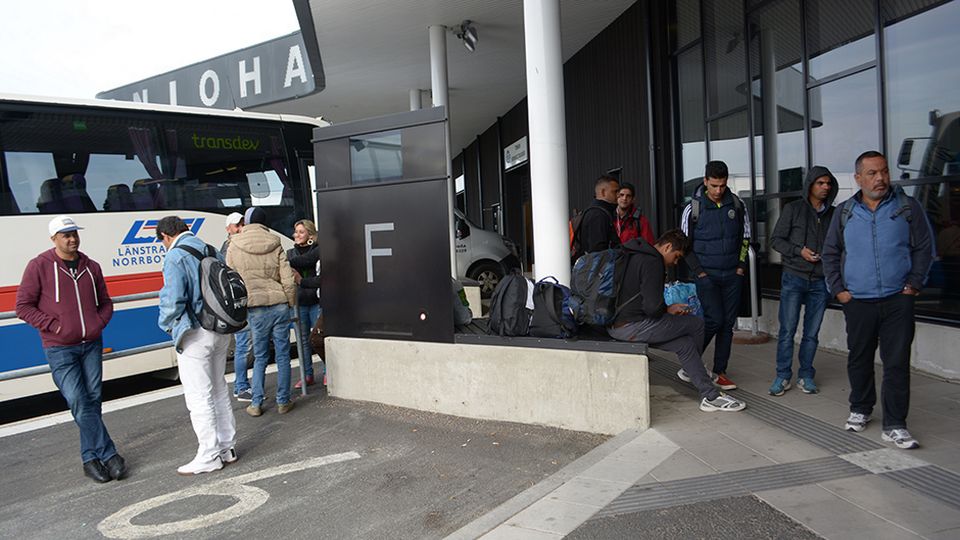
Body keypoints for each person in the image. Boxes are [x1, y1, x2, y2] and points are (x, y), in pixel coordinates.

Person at [822, 151, 933, 450]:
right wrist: (839, 290)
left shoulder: (907, 207)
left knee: (896, 363)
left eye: (883, 171)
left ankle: (895, 424)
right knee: (859, 358)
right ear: (858, 178)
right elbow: (830, 253)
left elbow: (924, 247)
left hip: (898, 299)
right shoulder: (844, 212)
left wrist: (914, 283)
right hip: (858, 300)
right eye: (872, 173)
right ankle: (860, 407)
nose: (880, 178)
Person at [16, 215, 126, 483]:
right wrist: (55, 327)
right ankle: (109, 454)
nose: (72, 239)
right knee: (78, 400)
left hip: (91, 344)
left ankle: (90, 458)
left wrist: (97, 324)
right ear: (54, 239)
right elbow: (23, 306)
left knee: (92, 400)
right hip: (59, 348)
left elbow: (106, 302)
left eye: (74, 233)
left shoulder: (91, 267)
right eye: (66, 235)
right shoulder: (39, 266)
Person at [609, 229, 746, 412]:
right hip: (631, 326)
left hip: (618, 324)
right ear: (667, 247)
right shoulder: (652, 262)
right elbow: (652, 308)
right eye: (676, 257)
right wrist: (668, 309)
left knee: (685, 345)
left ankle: (709, 396)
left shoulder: (635, 254)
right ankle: (692, 370)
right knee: (696, 324)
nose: (675, 263)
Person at [156, 216, 238, 475]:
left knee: (198, 396)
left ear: (166, 237)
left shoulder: (175, 256)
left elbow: (173, 300)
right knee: (218, 389)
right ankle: (228, 447)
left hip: (195, 333)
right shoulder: (210, 248)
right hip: (220, 329)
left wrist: (167, 324)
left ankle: (209, 455)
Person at [679, 160, 750, 391]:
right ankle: (690, 362)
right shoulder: (693, 208)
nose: (718, 191)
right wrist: (699, 273)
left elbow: (746, 237)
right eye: (714, 186)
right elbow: (683, 244)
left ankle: (720, 371)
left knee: (727, 324)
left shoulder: (737, 205)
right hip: (706, 276)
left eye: (722, 185)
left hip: (732, 275)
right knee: (713, 320)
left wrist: (740, 267)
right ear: (705, 181)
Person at [768, 166, 838, 396]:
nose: (825, 187)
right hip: (793, 277)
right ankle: (783, 375)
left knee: (812, 333)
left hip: (820, 281)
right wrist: (800, 251)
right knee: (787, 330)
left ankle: (806, 375)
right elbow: (776, 240)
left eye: (828, 183)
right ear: (810, 185)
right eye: (821, 183)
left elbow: (840, 246)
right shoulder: (793, 209)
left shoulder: (834, 214)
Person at [227, 207, 297, 417]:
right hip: (279, 304)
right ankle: (283, 401)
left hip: (254, 307)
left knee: (260, 356)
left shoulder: (234, 244)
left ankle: (256, 403)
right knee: (283, 355)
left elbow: (231, 280)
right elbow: (287, 278)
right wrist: (290, 302)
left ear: (246, 222)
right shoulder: (275, 242)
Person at [287, 219, 322, 389]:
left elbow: (308, 263)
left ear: (310, 234)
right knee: (302, 341)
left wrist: (301, 280)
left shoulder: (317, 251)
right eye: (296, 232)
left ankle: (327, 372)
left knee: (319, 337)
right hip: (299, 303)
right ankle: (307, 375)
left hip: (316, 301)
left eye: (301, 232)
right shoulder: (290, 253)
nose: (297, 235)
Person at [221, 212, 253, 401]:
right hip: (241, 303)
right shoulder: (229, 247)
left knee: (248, 346)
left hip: (248, 301)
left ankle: (244, 386)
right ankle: (241, 387)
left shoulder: (239, 244)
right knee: (243, 345)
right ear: (228, 229)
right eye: (236, 225)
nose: (240, 227)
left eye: (242, 223)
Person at [575, 175, 621, 258]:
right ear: (603, 192)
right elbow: (597, 251)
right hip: (599, 268)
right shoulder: (598, 215)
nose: (618, 195)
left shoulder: (597, 211)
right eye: (615, 191)